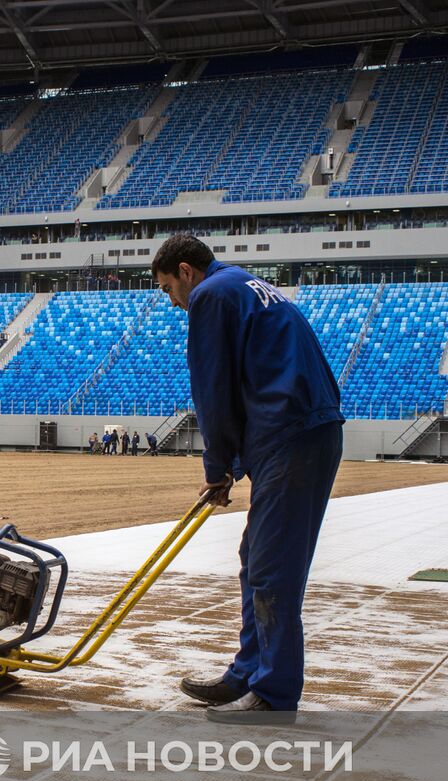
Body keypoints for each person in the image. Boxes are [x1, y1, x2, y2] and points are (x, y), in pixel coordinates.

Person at [154, 234, 343, 723]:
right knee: (256, 558)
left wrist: (217, 469)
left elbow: (212, 389)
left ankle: (273, 696)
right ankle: (248, 672)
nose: (173, 302)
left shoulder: (211, 296)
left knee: (272, 568)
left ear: (185, 272)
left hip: (292, 434)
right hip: (306, 429)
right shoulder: (245, 283)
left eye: (167, 289)